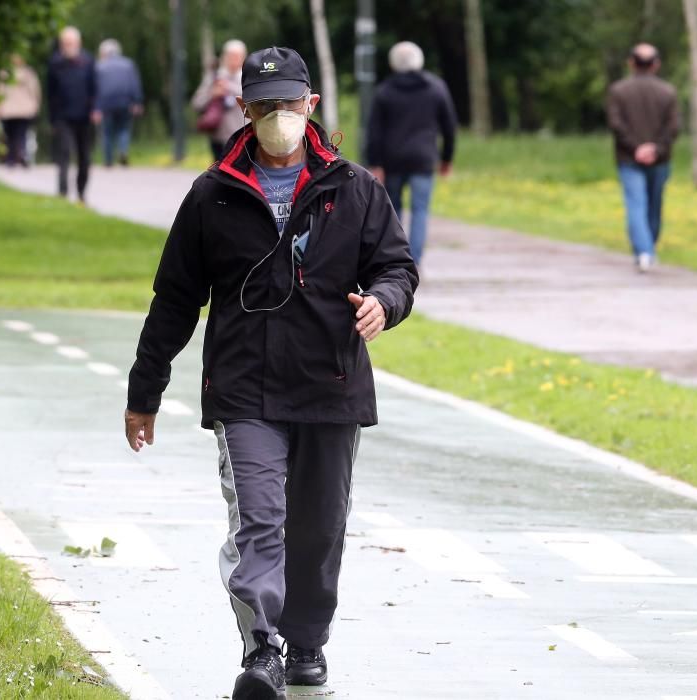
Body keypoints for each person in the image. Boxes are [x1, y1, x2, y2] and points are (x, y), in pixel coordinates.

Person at [124, 46, 417, 700]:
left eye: (288, 103)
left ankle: (307, 642)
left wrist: (383, 303)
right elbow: (175, 300)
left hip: (330, 387)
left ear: (310, 105)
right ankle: (262, 648)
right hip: (244, 390)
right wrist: (144, 391)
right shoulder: (212, 196)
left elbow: (397, 268)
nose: (277, 116)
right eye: (264, 106)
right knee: (258, 521)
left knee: (317, 529)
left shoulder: (354, 188)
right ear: (244, 110)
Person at [365, 41, 457, 268]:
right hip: (424, 160)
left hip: (392, 160)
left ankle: (394, 261)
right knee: (420, 211)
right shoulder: (436, 88)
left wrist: (375, 163)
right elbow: (450, 127)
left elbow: (374, 130)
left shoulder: (384, 91)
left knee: (392, 211)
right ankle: (414, 262)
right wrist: (446, 159)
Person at [606, 43, 679, 273]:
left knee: (636, 205)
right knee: (654, 206)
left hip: (629, 158)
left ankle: (644, 251)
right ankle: (648, 249)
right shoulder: (668, 92)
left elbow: (616, 124)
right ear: (656, 64)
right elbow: (674, 126)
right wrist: (655, 149)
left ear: (631, 63)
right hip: (660, 159)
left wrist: (637, 148)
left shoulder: (618, 91)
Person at [47, 26, 97, 202]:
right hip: (63, 116)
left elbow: (94, 87)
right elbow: (50, 94)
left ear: (78, 43)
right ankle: (62, 192)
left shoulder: (88, 61)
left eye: (71, 43)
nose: (68, 46)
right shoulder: (55, 63)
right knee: (64, 152)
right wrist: (53, 119)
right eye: (65, 43)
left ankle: (81, 192)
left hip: (84, 116)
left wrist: (95, 109)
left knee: (84, 157)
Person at [192, 39, 248, 161]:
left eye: (237, 56)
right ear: (225, 57)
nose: (234, 59)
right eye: (231, 56)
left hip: (243, 137)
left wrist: (229, 88)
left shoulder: (249, 78)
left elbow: (253, 99)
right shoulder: (214, 77)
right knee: (219, 175)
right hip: (218, 138)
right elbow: (197, 103)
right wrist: (212, 94)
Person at [95, 38, 144, 167]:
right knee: (124, 130)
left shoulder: (99, 67)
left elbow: (96, 89)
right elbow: (134, 85)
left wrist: (96, 107)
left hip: (106, 104)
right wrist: (137, 102)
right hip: (125, 102)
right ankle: (123, 151)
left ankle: (108, 160)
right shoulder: (128, 64)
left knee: (107, 132)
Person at [0, 54, 41, 167]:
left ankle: (15, 156)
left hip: (14, 109)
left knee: (15, 133)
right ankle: (18, 154)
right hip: (18, 109)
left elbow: (34, 91)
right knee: (17, 133)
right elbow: (35, 91)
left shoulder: (23, 73)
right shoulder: (26, 73)